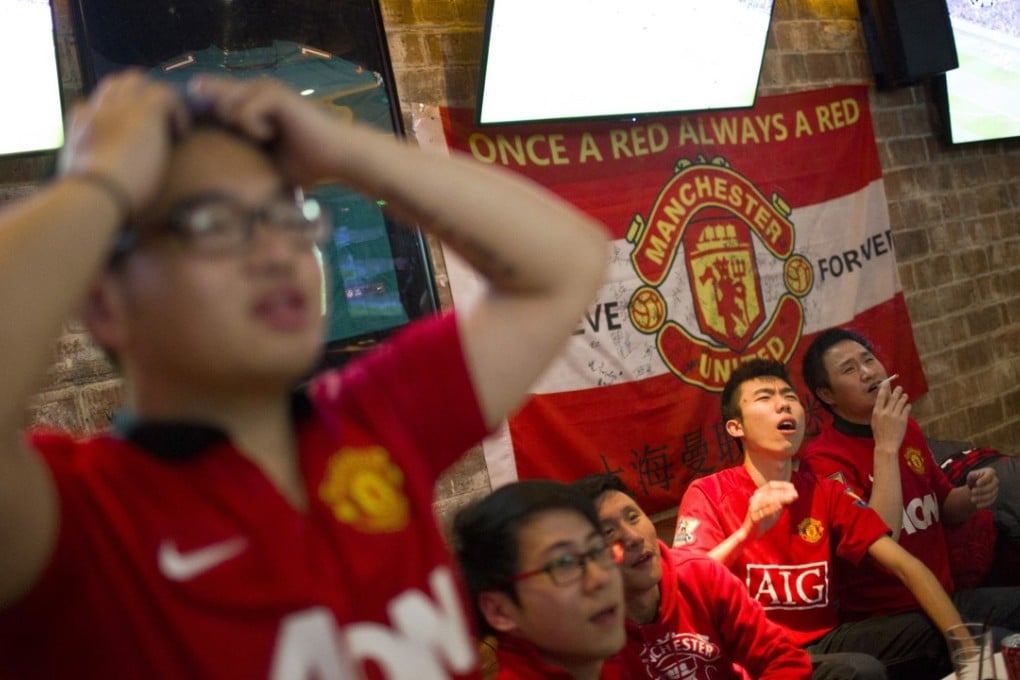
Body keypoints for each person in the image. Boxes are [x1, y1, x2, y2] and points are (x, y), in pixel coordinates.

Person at [0, 71, 609, 678]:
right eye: (214, 224)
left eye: (287, 218)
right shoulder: (77, 520)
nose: (277, 252)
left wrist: (346, 151)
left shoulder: (369, 418)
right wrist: (99, 180)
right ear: (107, 304)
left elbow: (565, 263)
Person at [673, 358, 967, 679]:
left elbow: (905, 564)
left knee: (935, 633)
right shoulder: (709, 492)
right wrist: (746, 533)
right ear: (736, 427)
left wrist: (966, 646)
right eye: (764, 398)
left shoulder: (824, 491)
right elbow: (683, 586)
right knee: (860, 671)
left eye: (789, 397)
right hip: (753, 658)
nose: (783, 404)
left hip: (825, 643)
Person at [799, 329, 1020, 631]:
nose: (866, 372)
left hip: (946, 596)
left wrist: (972, 492)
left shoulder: (907, 428)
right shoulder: (823, 460)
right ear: (827, 395)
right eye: (849, 369)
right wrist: (886, 447)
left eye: (868, 360)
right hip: (893, 619)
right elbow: (880, 537)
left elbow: (945, 506)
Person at [571, 473, 812, 679]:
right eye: (608, 532)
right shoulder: (582, 636)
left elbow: (783, 658)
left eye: (633, 517)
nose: (633, 537)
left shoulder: (699, 574)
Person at [451, 479, 628, 680]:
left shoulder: (604, 664)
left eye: (597, 549)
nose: (600, 579)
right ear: (499, 611)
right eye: (564, 563)